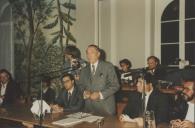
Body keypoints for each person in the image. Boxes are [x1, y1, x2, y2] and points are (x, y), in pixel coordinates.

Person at [79, 44, 120, 116]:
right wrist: (84, 92)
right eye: (87, 53)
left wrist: (100, 94)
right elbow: (80, 85)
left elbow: (115, 85)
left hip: (105, 108)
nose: (89, 55)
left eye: (92, 52)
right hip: (89, 109)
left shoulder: (107, 66)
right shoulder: (84, 69)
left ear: (98, 54)